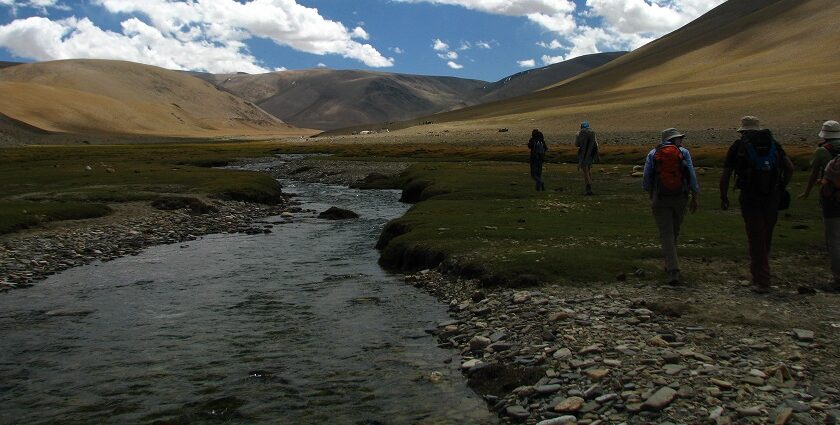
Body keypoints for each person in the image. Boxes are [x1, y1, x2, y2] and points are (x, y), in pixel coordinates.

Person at [719, 116, 794, 294]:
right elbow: (790, 168)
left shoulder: (739, 147)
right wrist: (781, 186)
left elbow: (726, 174)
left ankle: (762, 279)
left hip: (750, 197)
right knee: (765, 234)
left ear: (743, 131)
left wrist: (723, 195)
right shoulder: (773, 144)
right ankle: (760, 273)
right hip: (772, 197)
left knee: (755, 236)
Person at [643, 128, 700, 285]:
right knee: (674, 231)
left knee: (666, 233)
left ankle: (671, 267)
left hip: (660, 197)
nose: (681, 140)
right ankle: (672, 267)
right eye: (679, 138)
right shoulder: (684, 153)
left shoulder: (653, 153)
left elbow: (646, 178)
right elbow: (691, 175)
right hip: (680, 197)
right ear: (674, 139)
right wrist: (695, 196)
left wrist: (650, 193)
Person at [799, 120, 840, 200]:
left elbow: (814, 174)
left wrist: (806, 192)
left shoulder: (821, 150)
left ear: (824, 135)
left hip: (831, 191)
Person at [819, 157, 840, 292]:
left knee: (834, 241)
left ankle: (838, 277)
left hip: (834, 206)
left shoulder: (833, 164)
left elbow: (826, 186)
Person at [575, 121, 599, 195]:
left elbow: (577, 144)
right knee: (589, 170)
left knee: (585, 172)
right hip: (591, 154)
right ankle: (590, 186)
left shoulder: (579, 133)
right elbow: (596, 144)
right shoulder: (592, 133)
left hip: (583, 154)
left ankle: (588, 189)